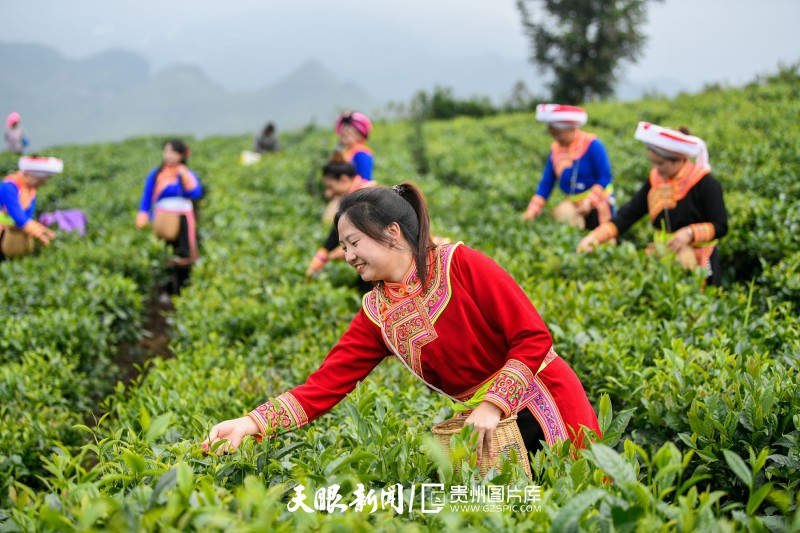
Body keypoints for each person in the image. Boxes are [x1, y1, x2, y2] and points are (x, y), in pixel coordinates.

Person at [203, 182, 600, 465]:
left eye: (354, 242)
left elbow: (533, 337)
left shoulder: (460, 263)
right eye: (342, 247)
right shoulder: (377, 313)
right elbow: (325, 384)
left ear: (392, 232)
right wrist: (252, 422)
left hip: (547, 401)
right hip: (490, 427)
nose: (348, 255)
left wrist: (495, 403)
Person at [577, 122, 728, 286]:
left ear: (679, 160)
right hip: (663, 252)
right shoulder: (656, 179)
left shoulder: (705, 183)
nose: (656, 168)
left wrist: (689, 233)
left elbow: (720, 225)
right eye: (653, 162)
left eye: (661, 163)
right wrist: (596, 237)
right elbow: (630, 213)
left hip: (698, 257)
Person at [522, 104, 614, 231]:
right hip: (573, 203)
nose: (556, 139)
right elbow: (546, 184)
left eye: (558, 134)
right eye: (553, 135)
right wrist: (533, 210)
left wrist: (589, 202)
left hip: (597, 203)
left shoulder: (592, 145)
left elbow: (605, 177)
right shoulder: (556, 150)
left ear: (570, 129)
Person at [136, 139, 203, 292]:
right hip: (161, 218)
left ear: (181, 155)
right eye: (166, 151)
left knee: (183, 253)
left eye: (173, 152)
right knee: (164, 254)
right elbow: (147, 195)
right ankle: (166, 290)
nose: (169, 156)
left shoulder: (185, 173)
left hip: (182, 218)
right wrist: (143, 214)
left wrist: (184, 175)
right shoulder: (157, 173)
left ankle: (183, 288)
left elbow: (196, 192)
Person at [305, 157, 376, 291]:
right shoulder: (351, 201)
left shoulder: (365, 199)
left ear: (343, 179)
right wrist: (317, 263)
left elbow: (373, 241)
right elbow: (333, 238)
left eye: (330, 187)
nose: (328, 193)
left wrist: (342, 252)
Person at [0, 156, 61, 261]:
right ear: (33, 176)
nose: (44, 183)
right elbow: (17, 216)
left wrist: (43, 230)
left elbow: (27, 216)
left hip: (18, 231)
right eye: (43, 180)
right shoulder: (9, 187)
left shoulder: (31, 189)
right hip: (4, 232)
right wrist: (39, 234)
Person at [335, 111, 374, 182]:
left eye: (347, 135)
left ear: (359, 136)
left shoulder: (361, 154)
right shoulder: (349, 152)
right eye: (342, 135)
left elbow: (364, 179)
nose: (343, 138)